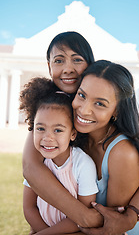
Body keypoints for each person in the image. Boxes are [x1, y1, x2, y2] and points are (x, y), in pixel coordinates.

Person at [22, 31, 139, 234]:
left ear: (89, 66)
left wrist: (131, 215)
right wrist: (83, 217)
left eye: (77, 60)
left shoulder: (119, 144)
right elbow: (30, 168)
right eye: (59, 60)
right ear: (49, 66)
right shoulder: (55, 110)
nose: (68, 69)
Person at [72, 60, 139, 234]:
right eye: (82, 95)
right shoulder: (73, 135)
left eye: (100, 104)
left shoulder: (122, 153)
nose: (84, 110)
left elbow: (110, 226)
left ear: (117, 111)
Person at [20, 77, 98, 234]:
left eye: (58, 130)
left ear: (73, 134)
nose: (47, 138)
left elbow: (81, 218)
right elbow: (29, 207)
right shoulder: (38, 164)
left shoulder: (83, 165)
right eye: (40, 128)